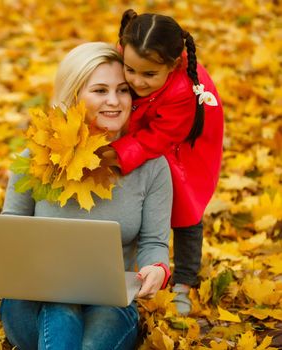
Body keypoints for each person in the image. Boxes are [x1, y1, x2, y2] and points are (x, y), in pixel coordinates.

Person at [0, 42, 173, 350]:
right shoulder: (36, 156)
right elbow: (8, 230)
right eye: (100, 91)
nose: (114, 101)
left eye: (122, 90)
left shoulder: (152, 166)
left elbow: (154, 244)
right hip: (35, 299)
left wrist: (156, 269)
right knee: (60, 308)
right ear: (73, 96)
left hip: (110, 301)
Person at [103, 9, 225, 315]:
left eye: (148, 75)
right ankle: (134, 255)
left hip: (184, 140)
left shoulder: (183, 92)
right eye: (130, 70)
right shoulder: (132, 53)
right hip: (148, 120)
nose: (137, 81)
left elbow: (156, 138)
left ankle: (184, 279)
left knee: (185, 203)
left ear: (171, 66)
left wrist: (119, 153)